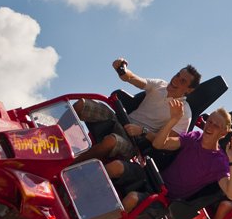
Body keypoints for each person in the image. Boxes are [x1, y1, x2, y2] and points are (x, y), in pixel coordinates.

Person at [117, 100, 232, 219]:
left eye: (216, 125)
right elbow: (159, 144)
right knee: (116, 166)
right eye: (209, 121)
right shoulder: (194, 137)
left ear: (223, 133)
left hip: (166, 198)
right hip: (152, 177)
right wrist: (174, 120)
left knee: (132, 198)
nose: (209, 126)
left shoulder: (219, 161)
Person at [72, 58, 201, 174]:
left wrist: (143, 131)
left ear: (189, 90)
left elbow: (163, 143)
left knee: (111, 141)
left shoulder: (183, 113)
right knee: (81, 104)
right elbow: (132, 78)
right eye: (178, 75)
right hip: (121, 120)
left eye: (182, 81)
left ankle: (70, 167)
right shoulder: (160, 85)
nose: (176, 80)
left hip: (135, 142)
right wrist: (122, 70)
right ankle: (53, 138)